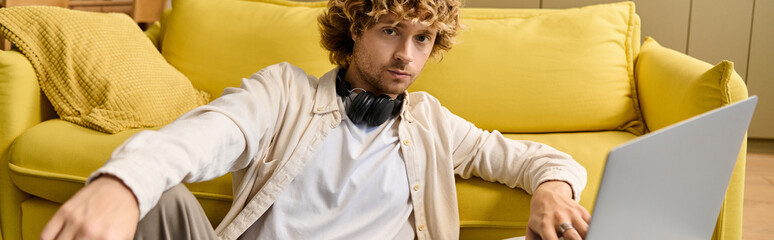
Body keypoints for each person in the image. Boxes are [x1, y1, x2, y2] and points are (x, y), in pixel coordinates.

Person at [41, 0, 590, 239]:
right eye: (390, 31)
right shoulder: (283, 91)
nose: (407, 56)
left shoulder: (433, 122)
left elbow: (540, 159)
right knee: (155, 196)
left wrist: (552, 190)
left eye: (422, 39)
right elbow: (202, 136)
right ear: (355, 29)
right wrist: (122, 184)